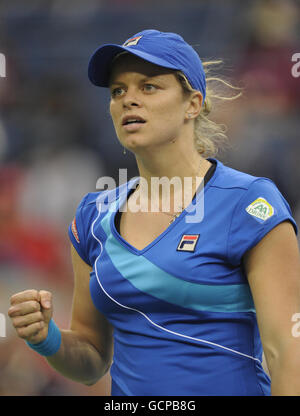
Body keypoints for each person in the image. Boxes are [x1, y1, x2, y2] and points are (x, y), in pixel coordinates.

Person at [8, 30, 300, 396]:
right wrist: (47, 337)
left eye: (148, 87)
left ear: (193, 103)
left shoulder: (251, 203)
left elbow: (287, 349)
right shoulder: (92, 217)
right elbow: (92, 358)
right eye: (118, 91)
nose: (128, 99)